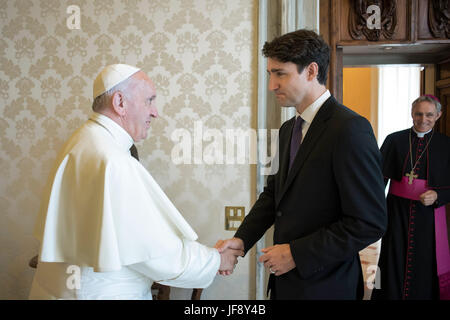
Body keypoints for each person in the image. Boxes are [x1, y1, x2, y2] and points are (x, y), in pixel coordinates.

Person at [29, 64, 243, 300]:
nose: (155, 112)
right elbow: (156, 253)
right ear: (120, 102)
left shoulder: (82, 140)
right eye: (149, 101)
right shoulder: (113, 160)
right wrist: (216, 260)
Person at [215, 29, 387, 300]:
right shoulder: (287, 130)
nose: (272, 84)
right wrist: (241, 240)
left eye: (280, 73)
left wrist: (296, 254)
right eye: (270, 74)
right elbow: (274, 196)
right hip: (286, 285)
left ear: (311, 71)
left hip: (328, 287)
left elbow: (369, 222)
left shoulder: (350, 129)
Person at [372, 95, 450, 300]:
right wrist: (372, 209)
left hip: (429, 217)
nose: (423, 119)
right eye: (419, 113)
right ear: (412, 113)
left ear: (439, 115)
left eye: (429, 114)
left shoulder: (445, 144)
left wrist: (439, 195)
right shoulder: (394, 140)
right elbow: (378, 179)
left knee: (425, 261)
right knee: (391, 258)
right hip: (397, 212)